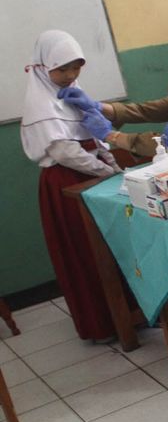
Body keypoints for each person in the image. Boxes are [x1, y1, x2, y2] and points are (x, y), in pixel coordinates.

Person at [19, 30, 119, 341]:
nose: (70, 75)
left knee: (110, 246)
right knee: (84, 251)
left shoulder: (74, 93)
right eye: (62, 69)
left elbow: (96, 134)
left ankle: (128, 314)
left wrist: (112, 162)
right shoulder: (40, 105)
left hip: (96, 174)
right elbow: (65, 151)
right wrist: (106, 171)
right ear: (42, 67)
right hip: (67, 183)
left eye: (76, 67)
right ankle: (101, 324)